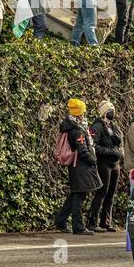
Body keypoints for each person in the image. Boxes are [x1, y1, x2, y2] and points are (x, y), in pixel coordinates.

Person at [56, 99, 102, 235]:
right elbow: (82, 150)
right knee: (79, 196)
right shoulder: (78, 131)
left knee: (75, 194)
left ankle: (60, 221)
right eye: (83, 112)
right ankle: (78, 227)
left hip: (77, 166)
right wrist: (93, 159)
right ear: (78, 114)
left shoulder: (71, 127)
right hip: (82, 166)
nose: (85, 114)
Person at [88, 100, 124, 231]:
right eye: (110, 110)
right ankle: (93, 222)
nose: (113, 113)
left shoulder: (114, 126)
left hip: (115, 163)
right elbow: (93, 145)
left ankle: (105, 221)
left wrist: (119, 152)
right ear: (104, 112)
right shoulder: (96, 127)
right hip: (104, 162)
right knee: (102, 191)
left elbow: (119, 141)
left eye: (113, 110)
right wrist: (108, 151)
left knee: (111, 192)